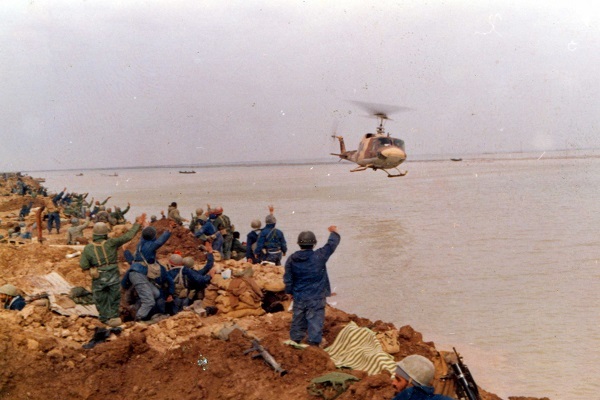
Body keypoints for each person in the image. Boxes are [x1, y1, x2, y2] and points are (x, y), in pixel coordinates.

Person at [79, 214, 144, 327]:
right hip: (113, 275)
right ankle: (114, 317)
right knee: (114, 296)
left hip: (98, 277)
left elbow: (84, 265)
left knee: (100, 298)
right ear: (105, 233)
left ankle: (104, 318)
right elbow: (128, 236)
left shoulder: (88, 248)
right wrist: (137, 224)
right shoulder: (111, 243)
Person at [284, 226, 340, 347]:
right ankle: (314, 343)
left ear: (299, 244)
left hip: (299, 295)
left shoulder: (292, 259)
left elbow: (288, 278)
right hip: (316, 296)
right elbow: (331, 246)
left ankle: (295, 341)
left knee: (298, 319)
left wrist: (290, 292)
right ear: (314, 243)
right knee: (315, 319)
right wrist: (333, 233)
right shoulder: (319, 256)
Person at [121, 224, 173, 321]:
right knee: (149, 301)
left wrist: (145, 227)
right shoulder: (149, 247)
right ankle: (138, 318)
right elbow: (159, 242)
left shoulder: (141, 244)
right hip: (139, 275)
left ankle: (132, 309)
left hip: (138, 274)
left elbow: (132, 260)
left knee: (156, 293)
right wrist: (168, 232)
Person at [166, 249, 215, 314]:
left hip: (175, 298)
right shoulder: (189, 272)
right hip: (186, 298)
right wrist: (210, 276)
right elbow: (203, 275)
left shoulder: (168, 273)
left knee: (175, 316)